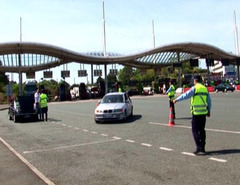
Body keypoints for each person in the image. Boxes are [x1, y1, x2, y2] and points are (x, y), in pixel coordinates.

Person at [173, 75, 212, 155]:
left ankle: (198, 146)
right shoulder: (205, 89)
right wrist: (208, 111)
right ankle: (203, 147)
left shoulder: (195, 88)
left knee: (194, 130)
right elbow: (209, 101)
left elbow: (186, 95)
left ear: (195, 80)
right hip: (203, 113)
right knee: (202, 130)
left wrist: (177, 99)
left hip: (196, 113)